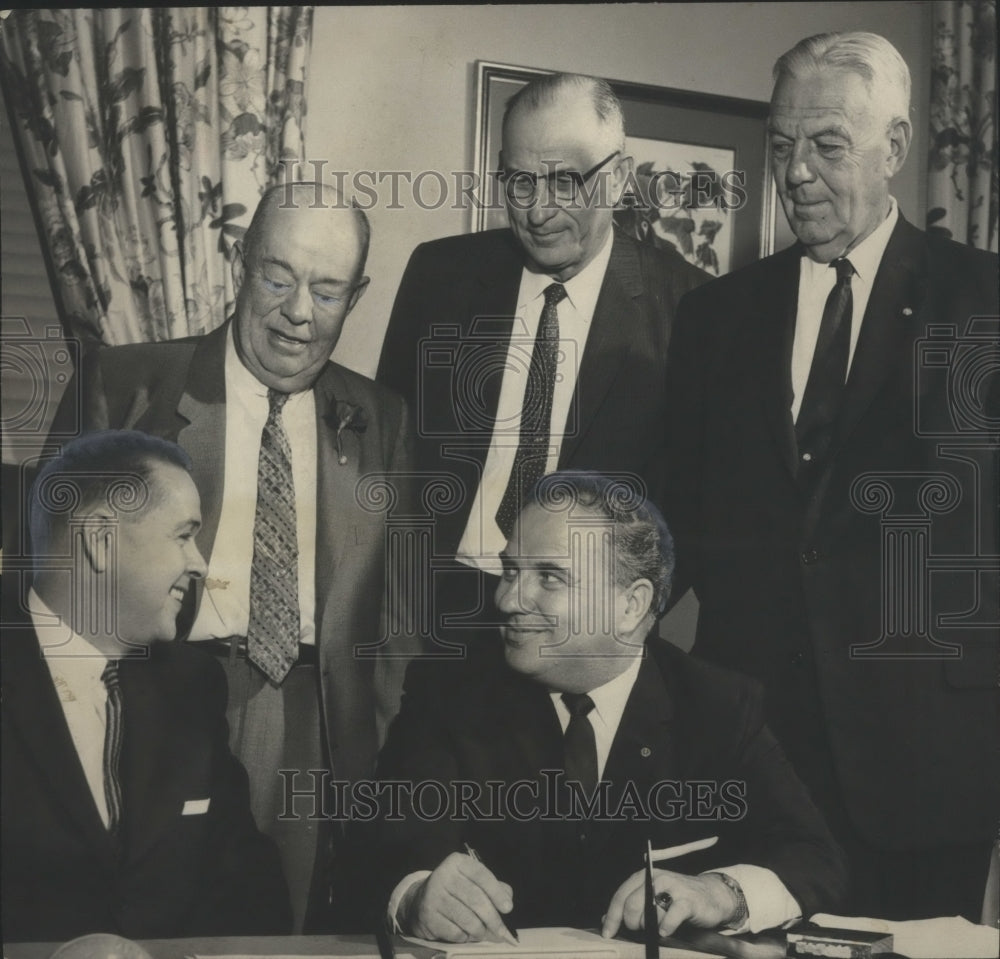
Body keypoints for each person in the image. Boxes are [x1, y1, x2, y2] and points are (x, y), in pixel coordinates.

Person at [663, 32, 999, 921]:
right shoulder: (714, 316)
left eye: (827, 145)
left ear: (895, 149)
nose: (796, 172)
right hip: (749, 754)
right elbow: (669, 528)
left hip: (927, 765)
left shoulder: (986, 305)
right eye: (780, 145)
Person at [48, 182, 417, 931]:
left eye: (327, 289)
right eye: (277, 277)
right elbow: (50, 586)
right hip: (158, 696)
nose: (298, 313)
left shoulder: (381, 418)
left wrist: (371, 751)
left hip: (315, 722)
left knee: (285, 935)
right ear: (241, 263)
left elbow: (400, 623)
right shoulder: (126, 387)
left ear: (358, 294)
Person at [363, 472, 846, 942]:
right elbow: (389, 846)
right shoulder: (450, 692)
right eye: (510, 570)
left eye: (549, 577)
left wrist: (721, 894)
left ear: (632, 606)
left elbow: (815, 857)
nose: (508, 598)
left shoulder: (718, 706)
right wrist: (415, 896)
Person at [377, 72, 707, 644]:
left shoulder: (689, 307)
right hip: (428, 607)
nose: (538, 211)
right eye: (520, 182)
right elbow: (387, 442)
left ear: (620, 177)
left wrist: (616, 625)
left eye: (566, 182)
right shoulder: (440, 275)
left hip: (582, 629)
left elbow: (697, 506)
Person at [1, 430, 290, 941]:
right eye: (183, 535)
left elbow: (249, 886)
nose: (200, 564)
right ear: (100, 540)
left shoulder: (193, 685)